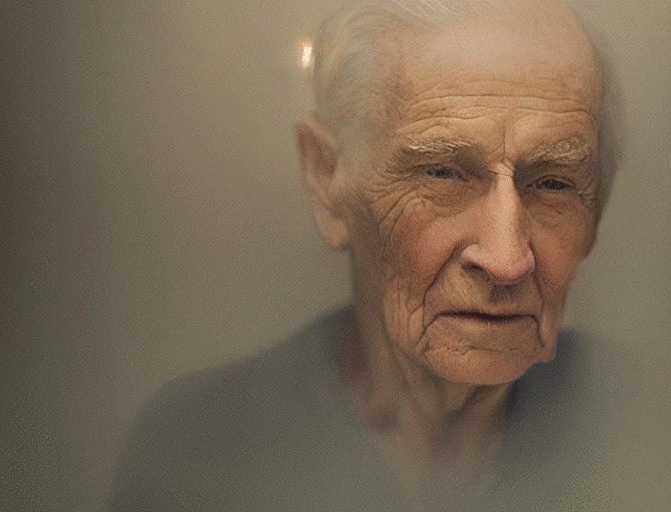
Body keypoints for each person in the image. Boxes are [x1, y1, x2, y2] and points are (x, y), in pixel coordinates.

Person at [108, 0, 618, 510]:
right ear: (327, 179)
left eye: (553, 183)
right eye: (441, 173)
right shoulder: (196, 452)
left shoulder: (647, 423)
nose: (506, 261)